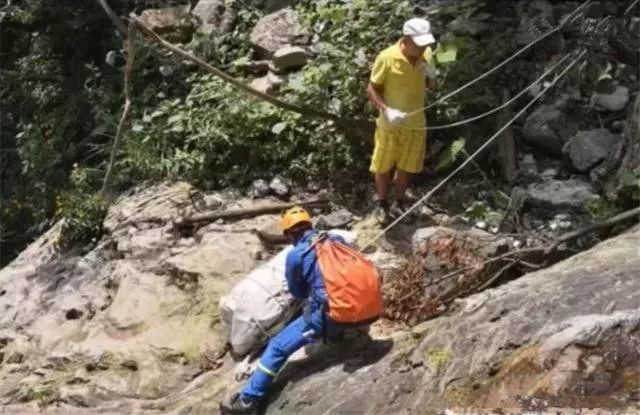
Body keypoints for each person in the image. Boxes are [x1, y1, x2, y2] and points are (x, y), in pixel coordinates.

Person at [220, 206, 348, 414]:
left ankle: (246, 402)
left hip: (331, 315)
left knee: (278, 347)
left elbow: (298, 294)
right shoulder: (335, 239)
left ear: (289, 234)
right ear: (310, 225)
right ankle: (337, 333)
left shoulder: (296, 255)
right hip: (361, 305)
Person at [367, 17, 438, 224]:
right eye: (419, 43)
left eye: (425, 43)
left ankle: (399, 202)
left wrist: (431, 75)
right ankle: (381, 203)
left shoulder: (426, 54)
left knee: (406, 167)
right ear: (406, 40)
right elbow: (371, 89)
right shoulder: (387, 57)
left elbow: (431, 87)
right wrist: (386, 110)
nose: (423, 47)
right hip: (390, 124)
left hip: (415, 124)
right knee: (382, 166)